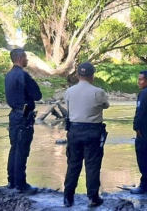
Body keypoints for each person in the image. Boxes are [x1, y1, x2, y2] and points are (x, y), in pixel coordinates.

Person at [63, 62, 110, 208]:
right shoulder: (99, 92)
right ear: (92, 76)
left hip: (74, 132)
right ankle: (93, 198)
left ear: (77, 75)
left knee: (73, 165)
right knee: (92, 165)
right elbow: (106, 106)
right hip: (93, 132)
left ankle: (68, 198)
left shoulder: (69, 91)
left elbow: (68, 106)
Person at [4, 48, 42, 193]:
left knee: (14, 148)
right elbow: (37, 95)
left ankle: (11, 181)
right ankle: (21, 184)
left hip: (13, 116)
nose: (27, 60)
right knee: (22, 150)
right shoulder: (23, 75)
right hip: (23, 117)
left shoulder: (8, 76)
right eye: (26, 58)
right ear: (20, 59)